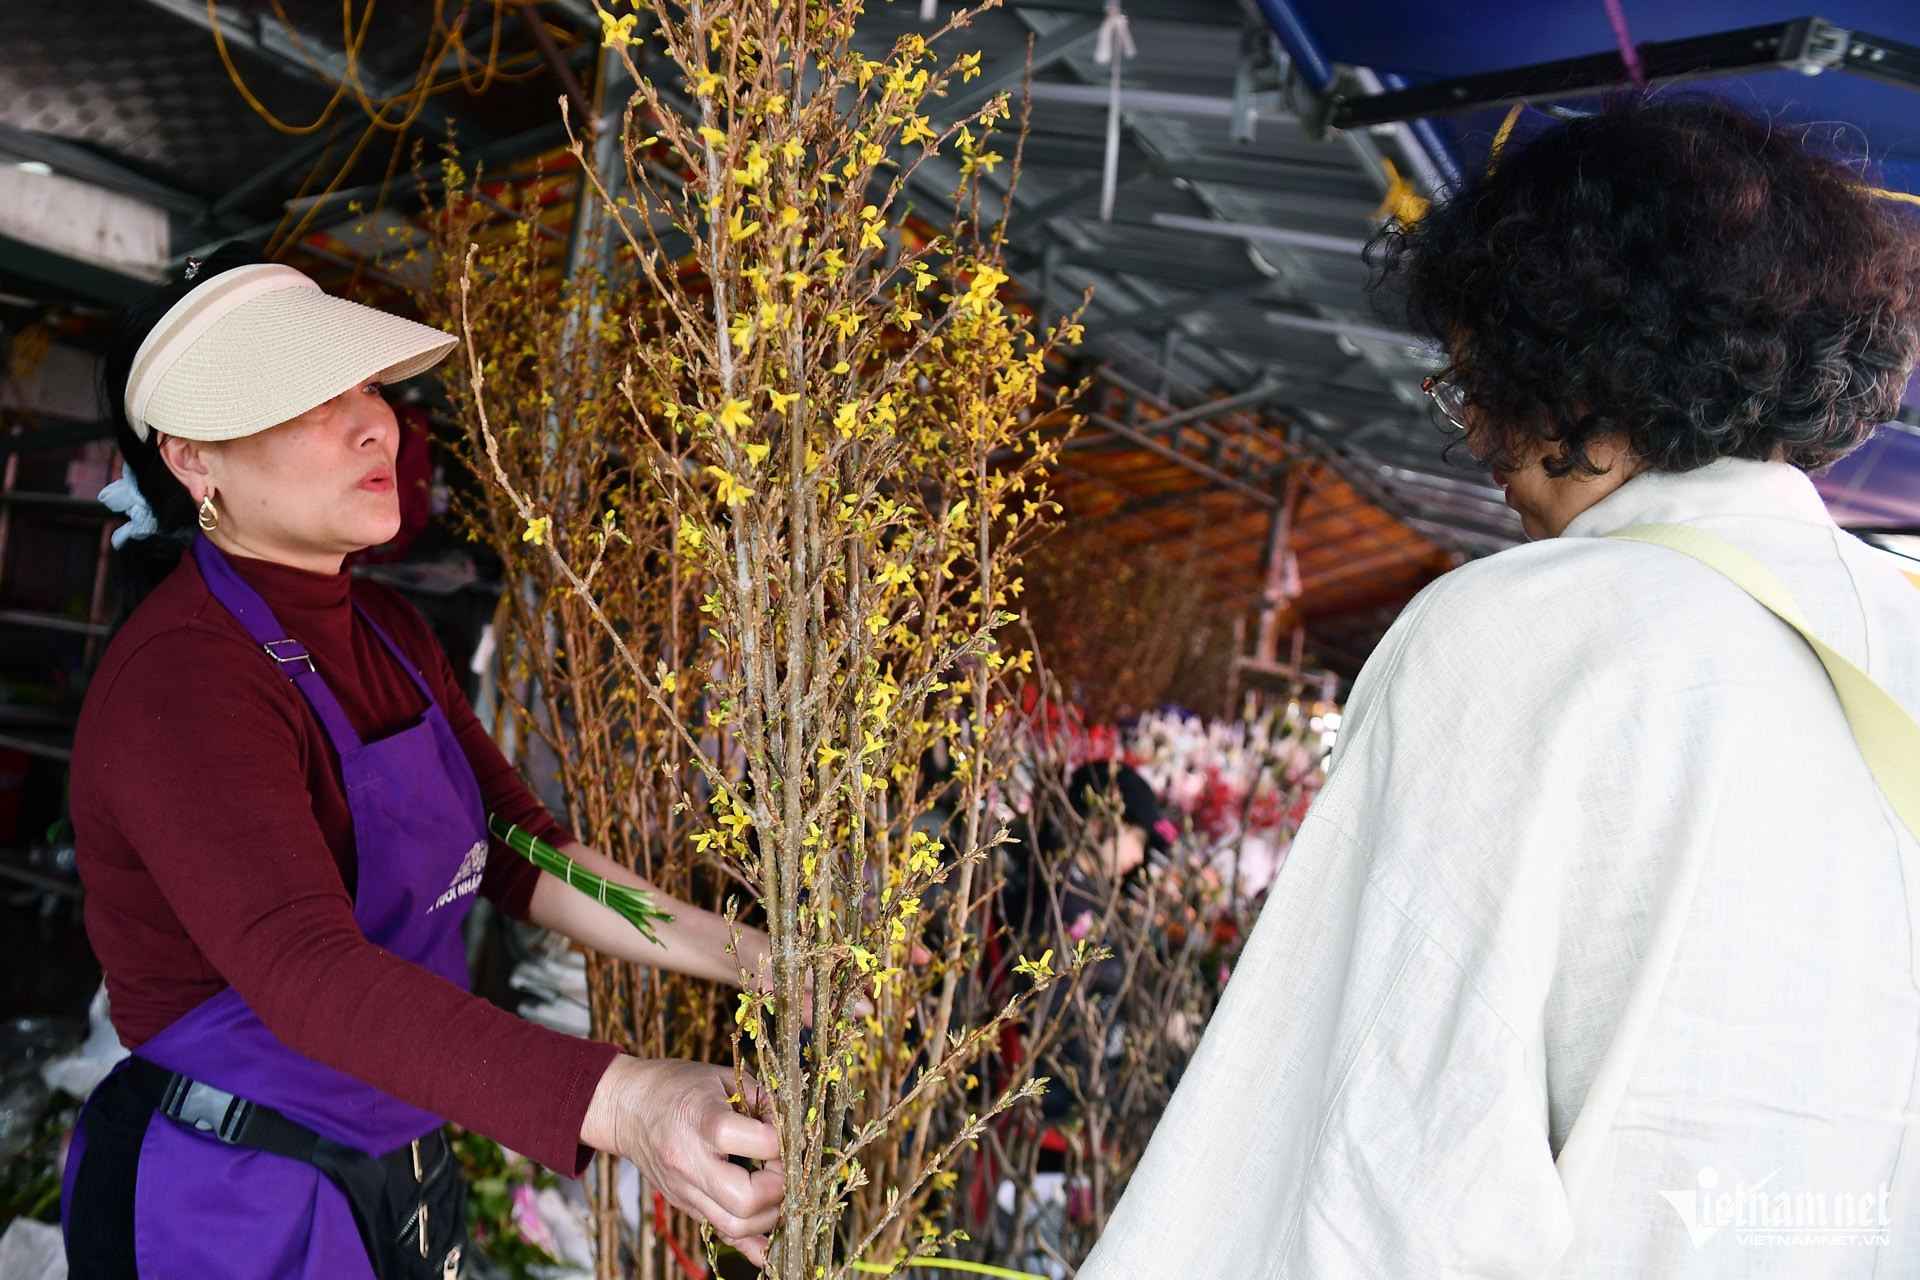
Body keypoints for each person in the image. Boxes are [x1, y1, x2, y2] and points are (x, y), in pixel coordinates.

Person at [1080, 98, 1920, 1278]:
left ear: (1579, 361)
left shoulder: (1516, 632)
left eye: (1477, 378)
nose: (1476, 436)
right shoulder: (1902, 629)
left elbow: (1402, 1159)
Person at [61, 244, 784, 1278]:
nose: (377, 425)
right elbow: (308, 971)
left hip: (392, 1154)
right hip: (237, 1196)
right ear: (193, 460)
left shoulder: (391, 631)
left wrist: (751, 957)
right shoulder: (184, 679)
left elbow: (521, 852)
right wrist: (625, 1099)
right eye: (316, 399)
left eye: (368, 387)